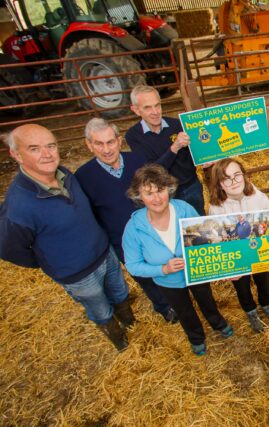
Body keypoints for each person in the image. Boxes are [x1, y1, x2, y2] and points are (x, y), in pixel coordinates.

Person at [0, 124, 133, 351]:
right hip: (77, 274)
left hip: (104, 252)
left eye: (50, 146)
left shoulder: (66, 174)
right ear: (16, 154)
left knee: (120, 291)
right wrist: (52, 261)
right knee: (99, 308)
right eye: (34, 149)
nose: (47, 154)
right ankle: (119, 339)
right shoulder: (18, 205)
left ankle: (129, 321)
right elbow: (9, 249)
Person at [122, 164, 233, 356]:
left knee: (207, 299)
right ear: (139, 196)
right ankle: (196, 337)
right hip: (168, 281)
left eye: (161, 190)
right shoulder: (134, 228)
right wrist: (163, 269)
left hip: (197, 271)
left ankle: (217, 322)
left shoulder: (184, 209)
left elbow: (204, 237)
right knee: (184, 311)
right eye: (149, 193)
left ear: (169, 189)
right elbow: (133, 265)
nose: (157, 198)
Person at [75, 118, 178, 324]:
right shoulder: (83, 177)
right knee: (143, 275)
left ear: (119, 140)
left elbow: (157, 188)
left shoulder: (137, 160)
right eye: (98, 143)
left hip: (154, 228)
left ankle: (177, 296)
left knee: (166, 262)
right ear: (89, 145)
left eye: (110, 142)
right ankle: (164, 306)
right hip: (121, 239)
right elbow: (89, 215)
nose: (106, 149)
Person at [208, 158, 269, 333]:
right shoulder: (216, 208)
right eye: (227, 179)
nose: (234, 182)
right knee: (241, 286)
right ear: (220, 185)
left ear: (244, 175)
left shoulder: (259, 198)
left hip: (259, 251)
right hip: (237, 258)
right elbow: (217, 237)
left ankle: (267, 304)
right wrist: (226, 268)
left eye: (237, 175)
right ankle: (251, 312)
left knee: (263, 281)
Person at [125, 85, 206, 215]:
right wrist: (175, 147)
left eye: (157, 105)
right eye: (147, 107)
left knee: (198, 220)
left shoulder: (178, 124)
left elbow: (194, 153)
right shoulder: (134, 136)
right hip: (163, 194)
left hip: (190, 186)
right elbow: (152, 169)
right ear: (136, 110)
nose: (155, 111)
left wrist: (203, 159)